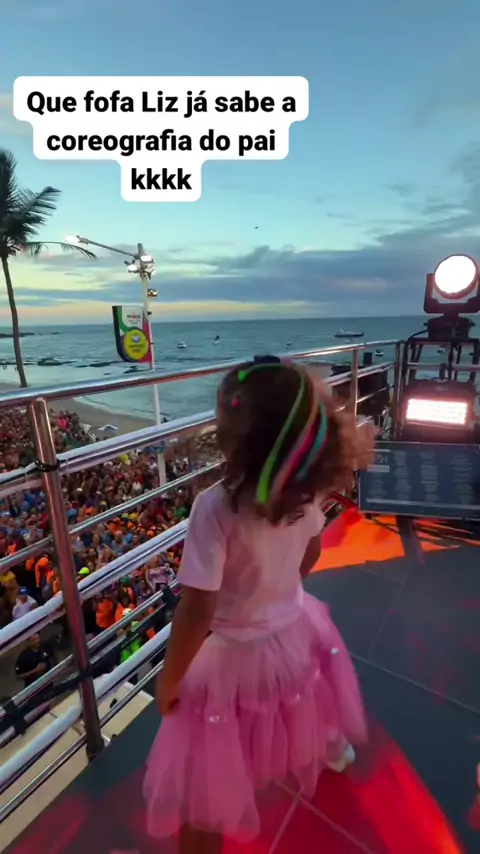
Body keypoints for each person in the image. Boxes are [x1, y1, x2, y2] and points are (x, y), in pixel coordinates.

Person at [143, 355, 376, 853]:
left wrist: (171, 679)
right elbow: (310, 552)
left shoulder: (215, 507)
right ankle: (334, 751)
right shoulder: (306, 492)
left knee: (203, 778)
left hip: (235, 653)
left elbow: (198, 609)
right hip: (294, 628)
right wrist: (281, 593)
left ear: (234, 437)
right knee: (305, 701)